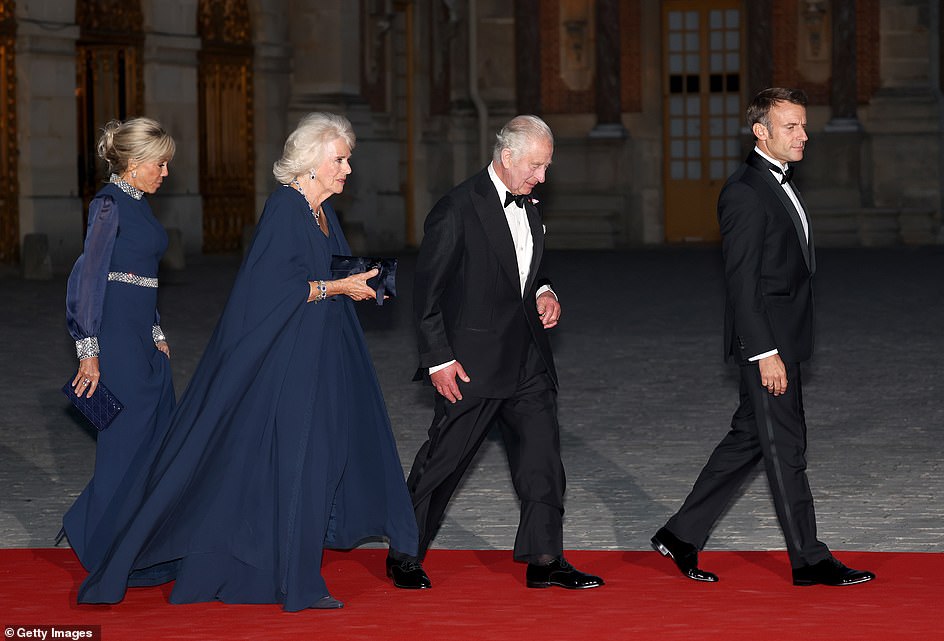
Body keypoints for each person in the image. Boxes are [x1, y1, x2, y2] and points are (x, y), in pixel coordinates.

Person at [74, 112, 420, 611]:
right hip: (283, 361)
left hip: (318, 355)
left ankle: (289, 572)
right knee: (299, 461)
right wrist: (336, 287)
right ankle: (290, 581)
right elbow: (267, 291)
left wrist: (361, 279)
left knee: (321, 459)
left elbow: (323, 269)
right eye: (340, 160)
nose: (347, 169)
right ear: (310, 162)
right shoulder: (284, 209)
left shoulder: (322, 212)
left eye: (348, 160)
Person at [651, 88, 875, 587]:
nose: (803, 134)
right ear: (761, 131)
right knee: (787, 449)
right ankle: (810, 560)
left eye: (803, 125)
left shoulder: (777, 181)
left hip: (784, 336)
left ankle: (680, 534)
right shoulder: (745, 192)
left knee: (750, 439)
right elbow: (741, 283)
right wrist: (765, 352)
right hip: (768, 343)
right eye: (791, 126)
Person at [385, 115, 604, 591]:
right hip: (472, 363)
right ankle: (404, 551)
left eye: (546, 167)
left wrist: (544, 290)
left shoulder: (529, 202)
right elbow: (428, 294)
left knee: (543, 461)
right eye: (535, 166)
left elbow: (528, 267)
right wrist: (439, 359)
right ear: (507, 157)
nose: (541, 177)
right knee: (444, 461)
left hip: (528, 357)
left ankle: (545, 559)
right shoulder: (456, 209)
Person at [62, 117, 177, 570]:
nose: (165, 173)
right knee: (125, 441)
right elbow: (89, 277)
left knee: (154, 438)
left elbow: (141, 279)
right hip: (114, 339)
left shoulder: (141, 205)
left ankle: (106, 530)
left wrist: (156, 331)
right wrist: (88, 352)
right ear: (132, 163)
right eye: (159, 164)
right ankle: (104, 548)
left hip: (140, 337)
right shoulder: (108, 205)